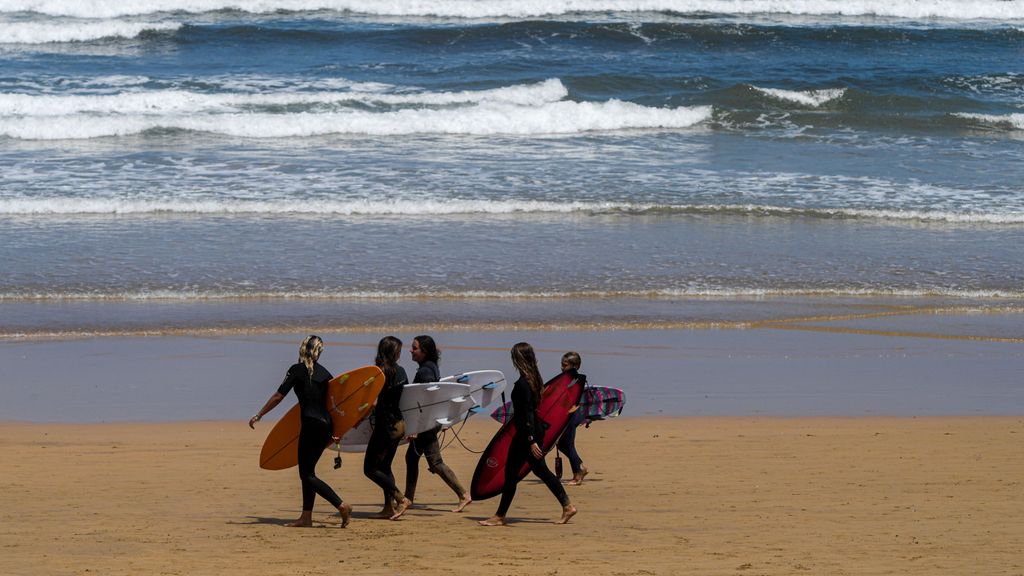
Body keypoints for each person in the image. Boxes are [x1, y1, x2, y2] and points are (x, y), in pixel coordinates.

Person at [249, 335, 352, 528]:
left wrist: (259, 414)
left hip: (311, 424)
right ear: (319, 352)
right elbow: (335, 405)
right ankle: (306, 517)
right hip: (326, 425)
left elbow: (279, 395)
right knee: (308, 471)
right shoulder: (326, 374)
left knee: (306, 475)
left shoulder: (296, 370)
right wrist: (338, 430)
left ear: (302, 349)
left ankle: (341, 505)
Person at [479, 342, 577, 526]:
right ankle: (567, 506)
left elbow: (528, 414)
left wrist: (531, 440)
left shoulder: (524, 384)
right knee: (539, 470)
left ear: (519, 359)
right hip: (531, 431)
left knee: (512, 473)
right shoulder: (534, 379)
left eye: (514, 357)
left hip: (527, 434)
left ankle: (500, 516)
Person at [403, 335, 472, 513]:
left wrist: (416, 428)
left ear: (424, 351)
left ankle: (463, 494)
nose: (411, 350)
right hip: (429, 421)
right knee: (411, 458)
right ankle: (407, 498)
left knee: (435, 462)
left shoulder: (424, 372)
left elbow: (425, 402)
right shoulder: (431, 367)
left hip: (426, 423)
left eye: (414, 348)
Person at [362, 335, 412, 520]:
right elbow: (406, 399)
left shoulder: (378, 373)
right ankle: (388, 508)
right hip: (399, 424)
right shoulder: (402, 372)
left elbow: (372, 401)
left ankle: (400, 498)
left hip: (386, 427)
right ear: (393, 353)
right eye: (398, 351)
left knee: (370, 469)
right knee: (385, 466)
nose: (400, 354)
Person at [556, 351, 589, 485]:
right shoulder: (568, 379)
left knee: (568, 444)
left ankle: (578, 475)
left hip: (572, 413)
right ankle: (580, 467)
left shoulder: (576, 380)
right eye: (562, 365)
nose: (562, 368)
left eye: (565, 365)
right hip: (569, 413)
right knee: (561, 444)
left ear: (574, 366)